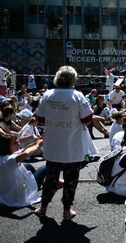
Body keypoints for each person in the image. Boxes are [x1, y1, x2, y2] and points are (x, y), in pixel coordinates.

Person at [34, 66, 94, 221]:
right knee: (70, 181)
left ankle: (43, 207)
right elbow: (87, 119)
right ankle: (67, 210)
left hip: (53, 146)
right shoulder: (78, 96)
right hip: (72, 148)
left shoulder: (47, 95)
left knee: (51, 178)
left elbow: (40, 118)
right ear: (73, 80)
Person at [0, 136, 46, 207]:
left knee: (28, 166)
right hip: (20, 193)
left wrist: (36, 142)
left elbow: (24, 150)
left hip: (9, 192)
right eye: (15, 143)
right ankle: (43, 186)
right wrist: (37, 145)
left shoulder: (4, 158)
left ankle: (36, 182)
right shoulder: (8, 160)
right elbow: (26, 153)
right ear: (7, 147)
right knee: (44, 168)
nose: (18, 144)